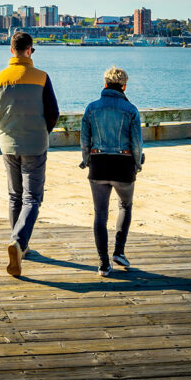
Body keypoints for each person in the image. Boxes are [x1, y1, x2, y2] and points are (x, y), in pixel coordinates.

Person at [0, 31, 59, 277]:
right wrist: (43, 130)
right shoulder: (42, 77)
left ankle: (19, 247)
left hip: (8, 144)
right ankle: (18, 242)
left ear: (11, 50)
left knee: (15, 195)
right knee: (32, 198)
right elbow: (53, 112)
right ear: (29, 50)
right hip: (35, 144)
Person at [80, 66, 143, 277]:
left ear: (105, 84)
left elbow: (84, 141)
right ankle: (119, 251)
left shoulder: (91, 108)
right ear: (124, 86)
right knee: (125, 205)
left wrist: (86, 160)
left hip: (98, 163)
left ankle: (103, 263)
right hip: (123, 164)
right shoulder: (131, 110)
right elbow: (136, 144)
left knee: (100, 213)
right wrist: (137, 163)